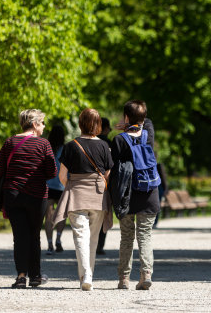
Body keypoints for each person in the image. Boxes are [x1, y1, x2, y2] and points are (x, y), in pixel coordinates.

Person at [0, 109, 56, 289]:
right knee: (34, 236)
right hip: (37, 196)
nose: (44, 127)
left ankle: (21, 276)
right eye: (42, 123)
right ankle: (35, 276)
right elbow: (52, 172)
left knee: (19, 236)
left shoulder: (10, 142)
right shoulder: (44, 144)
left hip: (13, 194)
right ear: (35, 124)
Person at [53, 109, 113, 291]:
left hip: (76, 195)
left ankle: (86, 275)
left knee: (80, 236)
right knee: (93, 239)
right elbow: (108, 175)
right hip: (97, 196)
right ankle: (88, 275)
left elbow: (62, 176)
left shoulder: (71, 146)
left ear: (80, 124)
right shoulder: (104, 146)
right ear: (98, 125)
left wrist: (73, 185)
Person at [111, 100, 159, 290]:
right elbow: (147, 123)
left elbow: (114, 171)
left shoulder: (119, 140)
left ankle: (124, 278)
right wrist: (133, 121)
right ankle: (146, 273)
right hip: (149, 192)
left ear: (126, 117)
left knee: (127, 236)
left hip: (128, 195)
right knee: (145, 235)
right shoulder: (149, 135)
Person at [45, 125, 66, 255]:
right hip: (62, 185)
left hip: (48, 185)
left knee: (49, 215)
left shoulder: (47, 149)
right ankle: (58, 239)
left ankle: (49, 243)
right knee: (62, 215)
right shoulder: (65, 149)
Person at [95, 117, 112, 256]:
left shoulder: (87, 141)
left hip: (87, 183)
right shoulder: (108, 143)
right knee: (103, 215)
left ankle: (91, 244)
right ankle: (100, 245)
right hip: (105, 184)